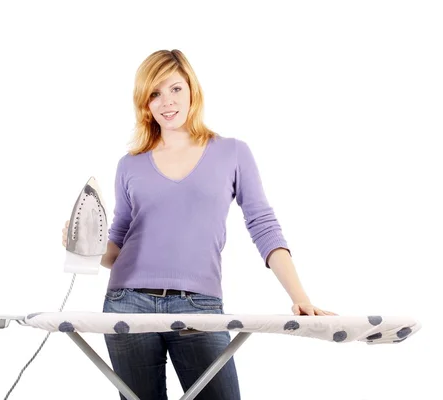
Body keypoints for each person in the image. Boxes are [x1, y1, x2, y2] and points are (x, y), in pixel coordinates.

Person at [62, 49, 337, 400]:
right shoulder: (130, 164)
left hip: (199, 307)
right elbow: (117, 243)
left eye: (175, 89)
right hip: (127, 301)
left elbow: (263, 225)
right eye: (155, 94)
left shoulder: (232, 153)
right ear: (144, 104)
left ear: (192, 89)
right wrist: (83, 243)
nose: (167, 102)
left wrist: (300, 298)